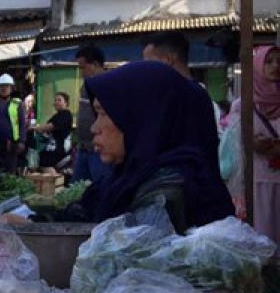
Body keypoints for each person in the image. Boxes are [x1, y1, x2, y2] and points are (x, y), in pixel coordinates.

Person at [74, 61, 233, 232]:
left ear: (142, 121)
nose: (94, 128)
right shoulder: (128, 180)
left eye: (104, 114)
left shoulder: (164, 196)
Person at [221, 45, 280, 242]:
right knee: (261, 235)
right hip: (255, 181)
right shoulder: (242, 104)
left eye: (279, 61)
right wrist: (251, 142)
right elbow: (234, 139)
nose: (275, 66)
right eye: (269, 61)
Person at [142, 31, 222, 130]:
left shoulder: (189, 97)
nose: (146, 69)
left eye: (149, 63)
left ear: (168, 59)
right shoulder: (199, 95)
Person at [73, 45, 112, 185]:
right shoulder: (86, 85)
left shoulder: (108, 85)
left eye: (83, 67)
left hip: (98, 150)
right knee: (77, 190)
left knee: (101, 187)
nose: (81, 71)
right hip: (83, 148)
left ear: (95, 64)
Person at [33, 92, 74, 170]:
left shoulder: (66, 114)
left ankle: (53, 179)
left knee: (45, 165)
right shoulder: (56, 116)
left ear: (66, 103)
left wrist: (37, 128)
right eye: (55, 100)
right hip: (51, 148)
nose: (56, 102)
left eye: (59, 100)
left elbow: (50, 126)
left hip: (59, 150)